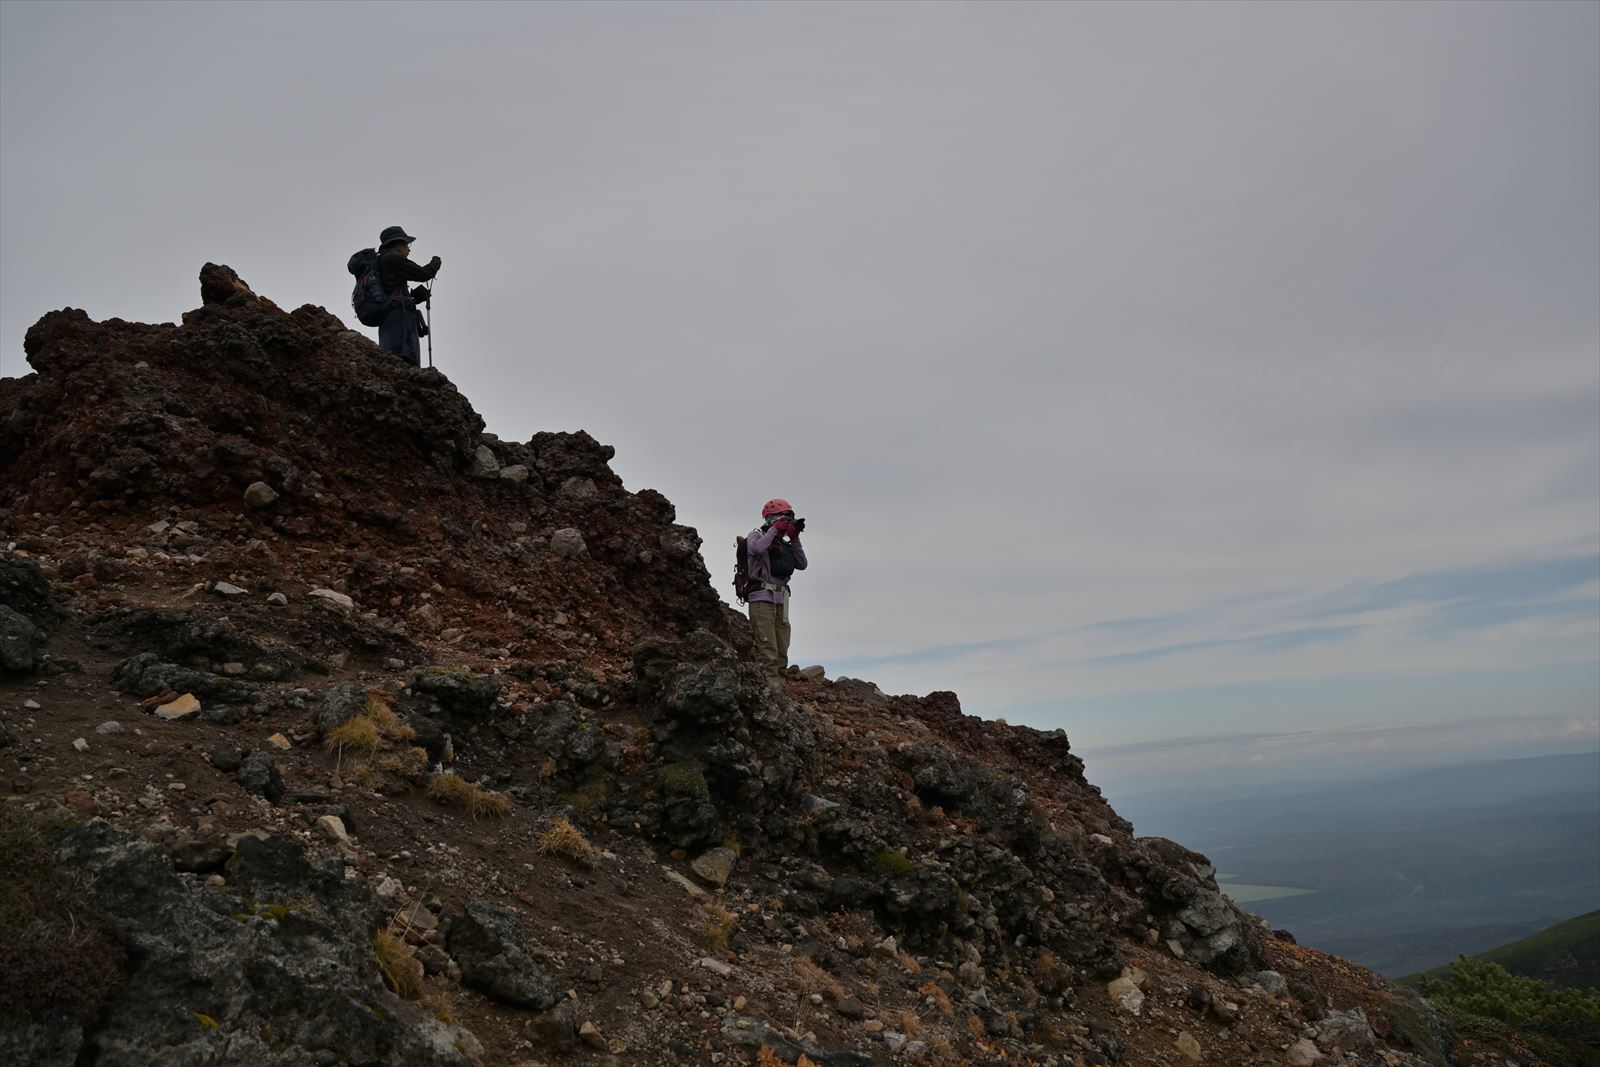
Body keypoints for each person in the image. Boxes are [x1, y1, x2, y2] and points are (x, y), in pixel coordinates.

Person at [746, 498, 808, 688]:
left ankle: (779, 689)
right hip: (761, 598)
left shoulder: (784, 544)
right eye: (782, 518)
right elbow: (756, 549)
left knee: (782, 646)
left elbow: (802, 564)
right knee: (767, 647)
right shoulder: (756, 536)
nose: (786, 522)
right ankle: (769, 689)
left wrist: (795, 538)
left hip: (781, 599)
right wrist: (773, 530)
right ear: (770, 519)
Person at [375, 225, 441, 367]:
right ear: (398, 243)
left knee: (390, 358)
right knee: (406, 359)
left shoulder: (379, 262)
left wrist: (411, 298)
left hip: (388, 319)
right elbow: (424, 274)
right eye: (407, 244)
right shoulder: (393, 258)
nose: (409, 249)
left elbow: (390, 289)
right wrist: (436, 262)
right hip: (401, 319)